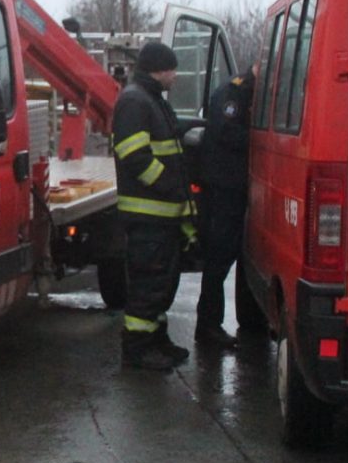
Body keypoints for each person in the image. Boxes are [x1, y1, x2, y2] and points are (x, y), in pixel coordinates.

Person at [112, 41, 194, 370]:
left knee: (161, 284)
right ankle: (137, 349)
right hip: (148, 214)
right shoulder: (135, 101)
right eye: (172, 69)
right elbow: (133, 155)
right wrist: (169, 184)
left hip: (161, 216)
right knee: (147, 285)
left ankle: (157, 340)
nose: (175, 76)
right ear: (159, 70)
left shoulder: (151, 99)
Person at [194, 57, 262, 346]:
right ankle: (208, 325)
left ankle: (226, 322)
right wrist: (263, 138)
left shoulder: (255, 92)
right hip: (225, 188)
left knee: (237, 255)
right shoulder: (233, 92)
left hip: (240, 188)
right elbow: (225, 131)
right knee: (220, 256)